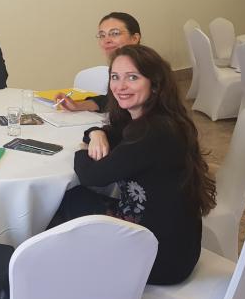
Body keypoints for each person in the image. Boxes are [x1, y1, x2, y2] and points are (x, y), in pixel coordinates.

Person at [49, 44, 216, 285]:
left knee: (65, 203)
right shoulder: (152, 119)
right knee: (74, 199)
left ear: (155, 84)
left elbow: (92, 175)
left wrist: (82, 150)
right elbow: (111, 132)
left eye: (132, 77)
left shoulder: (153, 133)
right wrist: (96, 133)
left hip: (160, 259)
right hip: (170, 241)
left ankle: (76, 281)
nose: (120, 86)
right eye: (115, 77)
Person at [55, 11, 141, 112]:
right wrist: (77, 106)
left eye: (115, 33)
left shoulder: (148, 68)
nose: (106, 40)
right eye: (102, 35)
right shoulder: (117, 67)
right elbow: (110, 100)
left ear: (134, 38)